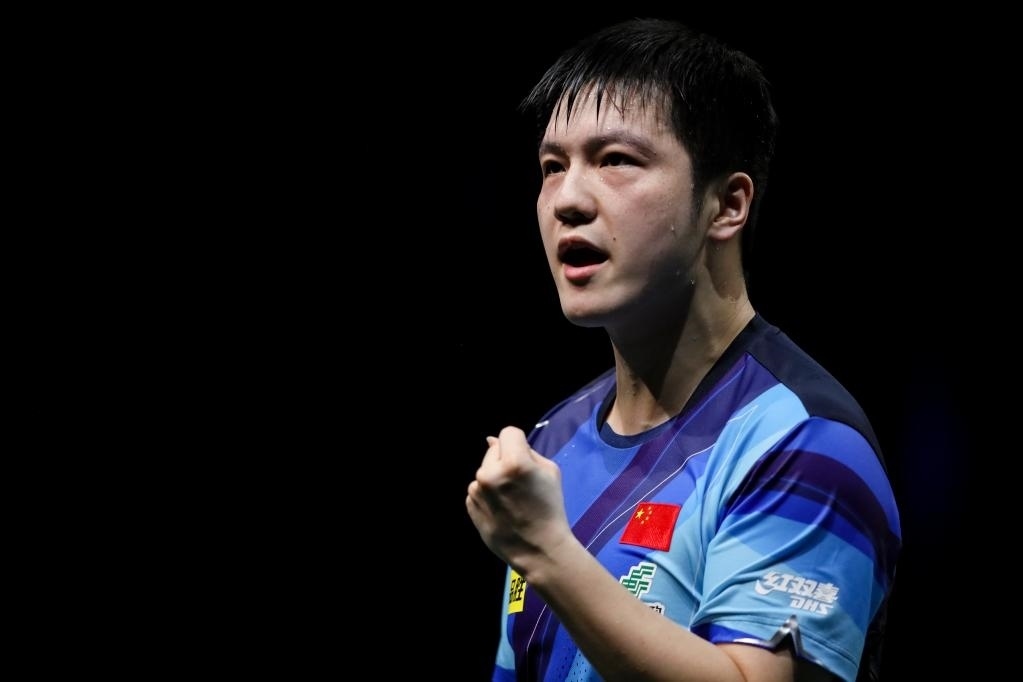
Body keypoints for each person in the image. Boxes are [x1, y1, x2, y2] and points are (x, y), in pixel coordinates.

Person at [465, 17, 901, 682]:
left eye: (616, 160)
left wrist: (548, 551)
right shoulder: (552, 442)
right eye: (552, 167)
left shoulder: (801, 442)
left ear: (726, 205)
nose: (567, 200)